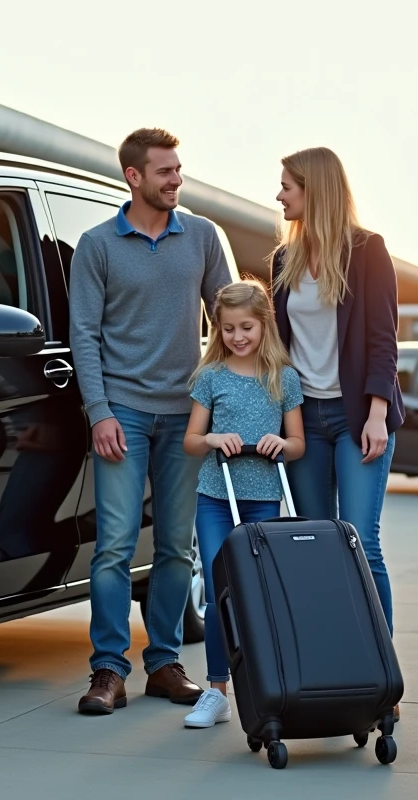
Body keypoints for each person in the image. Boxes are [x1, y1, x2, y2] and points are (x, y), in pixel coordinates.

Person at [69, 127, 233, 715]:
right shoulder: (97, 245)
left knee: (174, 548)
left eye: (178, 169)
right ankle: (108, 671)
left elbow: (232, 322)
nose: (176, 180)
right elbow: (83, 335)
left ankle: (163, 664)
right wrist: (100, 413)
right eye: (165, 171)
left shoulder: (203, 237)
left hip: (185, 418)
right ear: (134, 177)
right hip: (125, 416)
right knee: (113, 546)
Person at [269, 146, 405, 714]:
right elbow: (277, 348)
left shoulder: (368, 251)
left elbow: (382, 339)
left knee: (360, 542)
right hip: (307, 422)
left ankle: (382, 678)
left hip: (356, 419)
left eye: (287, 187)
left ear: (315, 189)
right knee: (316, 545)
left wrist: (376, 413)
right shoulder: (284, 259)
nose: (278, 196)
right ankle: (330, 668)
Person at [179, 279, 306, 728]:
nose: (238, 336)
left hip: (264, 500)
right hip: (217, 496)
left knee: (262, 593)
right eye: (229, 328)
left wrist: (280, 443)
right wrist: (212, 437)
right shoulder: (210, 376)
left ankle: (272, 685)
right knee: (219, 592)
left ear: (264, 325)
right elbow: (192, 441)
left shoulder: (283, 378)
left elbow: (298, 444)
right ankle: (216, 692)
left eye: (246, 327)